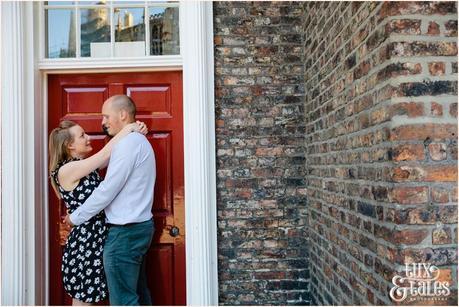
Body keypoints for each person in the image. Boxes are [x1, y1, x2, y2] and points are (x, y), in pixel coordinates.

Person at [65, 95, 156, 306]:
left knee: (124, 301)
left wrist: (75, 218)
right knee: (138, 296)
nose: (102, 122)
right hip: (135, 229)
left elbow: (107, 190)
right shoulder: (132, 141)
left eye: (106, 116)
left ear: (122, 114)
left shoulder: (129, 145)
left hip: (126, 233)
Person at [49, 119, 148, 305]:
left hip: (97, 238)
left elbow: (117, 155)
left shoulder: (83, 166)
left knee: (91, 297)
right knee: (83, 300)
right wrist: (128, 127)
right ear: (69, 145)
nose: (88, 137)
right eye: (82, 135)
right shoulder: (68, 169)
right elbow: (105, 154)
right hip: (85, 243)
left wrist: (135, 133)